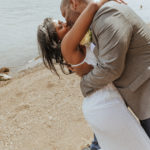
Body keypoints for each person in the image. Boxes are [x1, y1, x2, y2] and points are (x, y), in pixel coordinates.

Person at [37, 0, 150, 149]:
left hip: (113, 97)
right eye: (61, 25)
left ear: (74, 3)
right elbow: (91, 7)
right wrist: (100, 2)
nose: (66, 22)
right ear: (56, 39)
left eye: (64, 18)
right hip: (102, 100)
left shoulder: (85, 38)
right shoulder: (67, 47)